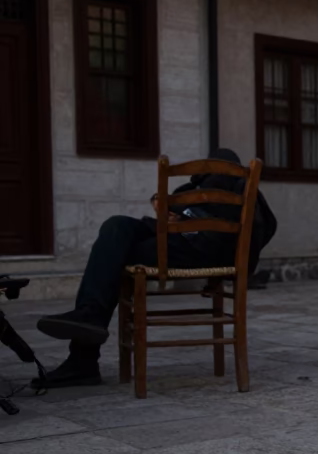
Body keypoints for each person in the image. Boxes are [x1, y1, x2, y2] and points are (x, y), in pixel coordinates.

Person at [34, 148, 277, 389]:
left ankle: (84, 353)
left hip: (195, 249)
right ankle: (89, 325)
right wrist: (171, 211)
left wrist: (184, 218)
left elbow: (251, 235)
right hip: (172, 240)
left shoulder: (243, 192)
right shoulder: (202, 192)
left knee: (112, 248)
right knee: (116, 227)